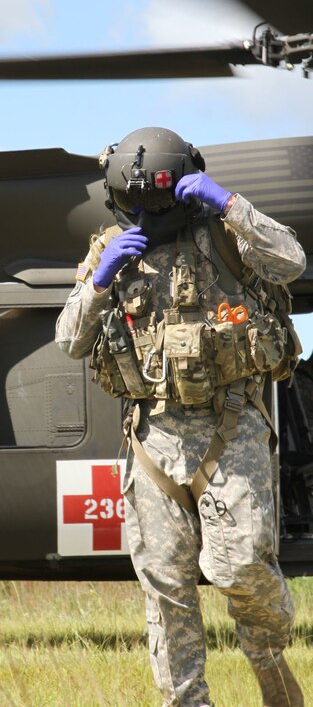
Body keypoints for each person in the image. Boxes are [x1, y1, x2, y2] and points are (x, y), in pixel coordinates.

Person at [56, 127, 306, 706]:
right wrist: (97, 283)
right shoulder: (109, 252)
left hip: (232, 426)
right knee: (166, 586)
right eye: (133, 205)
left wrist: (228, 203)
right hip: (153, 439)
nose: (143, 214)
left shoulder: (225, 235)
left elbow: (290, 260)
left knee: (240, 567)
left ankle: (269, 657)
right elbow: (70, 341)